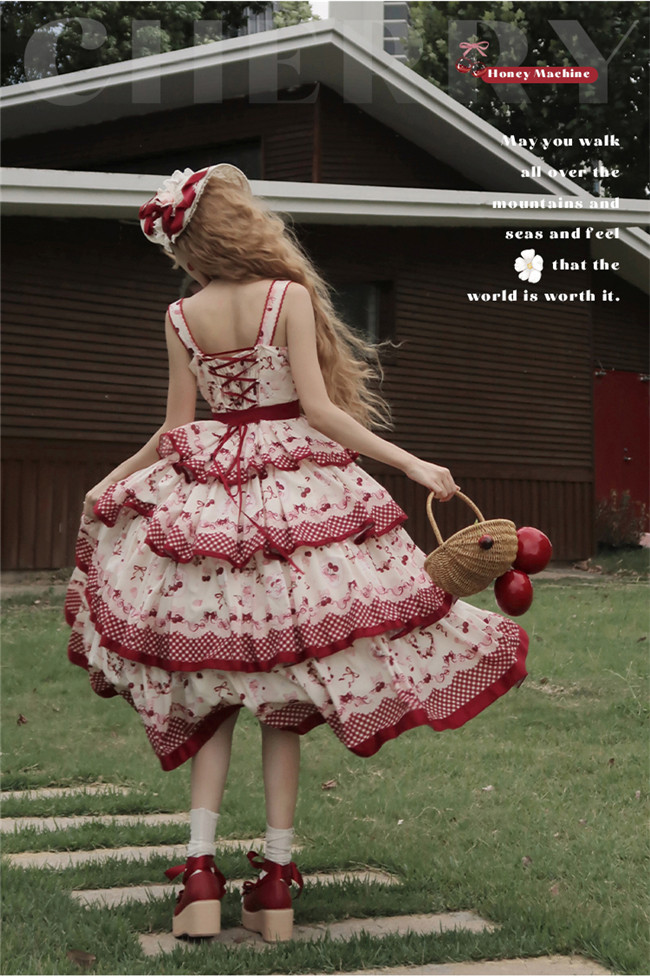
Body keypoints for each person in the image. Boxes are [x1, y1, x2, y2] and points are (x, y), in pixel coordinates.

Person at [65, 163, 528, 944]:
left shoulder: (181, 317)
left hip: (209, 507)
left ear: (188, 241)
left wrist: (110, 482)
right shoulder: (288, 298)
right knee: (287, 692)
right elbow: (318, 410)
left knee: (210, 692)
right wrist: (410, 462)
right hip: (297, 502)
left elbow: (174, 431)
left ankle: (200, 873)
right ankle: (276, 880)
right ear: (242, 225)